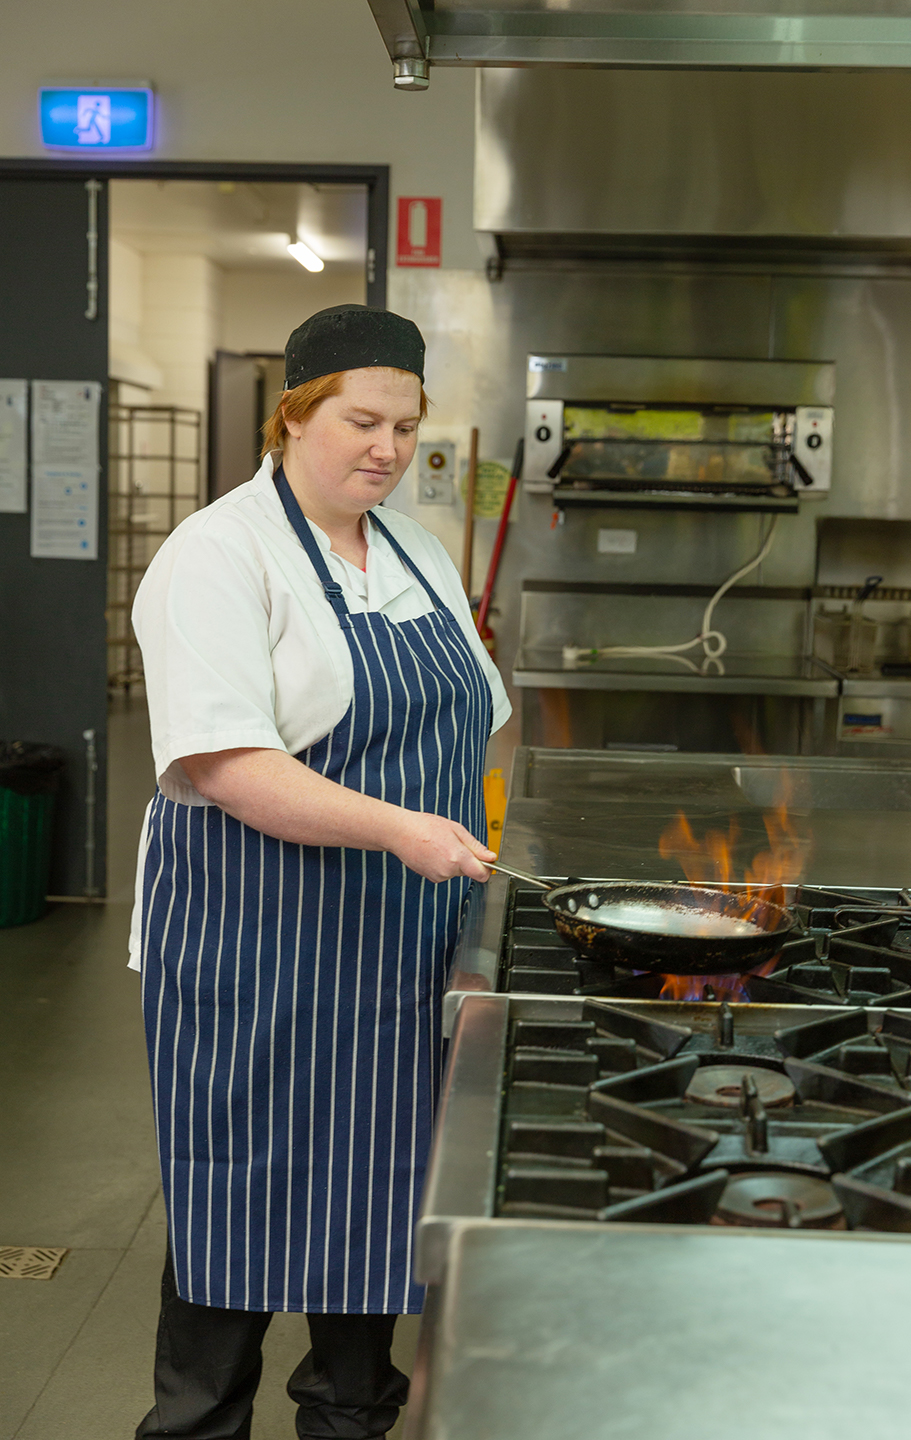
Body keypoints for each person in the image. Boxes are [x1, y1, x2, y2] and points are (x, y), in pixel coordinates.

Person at [128, 303, 511, 1439]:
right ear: (292, 416)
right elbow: (233, 765)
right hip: (261, 952)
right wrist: (403, 829)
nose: (387, 448)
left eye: (405, 424)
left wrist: (447, 840)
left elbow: (466, 720)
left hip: (402, 954)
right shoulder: (218, 552)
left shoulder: (417, 551)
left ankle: (349, 1417)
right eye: (360, 420)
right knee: (236, 1206)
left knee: (378, 1213)